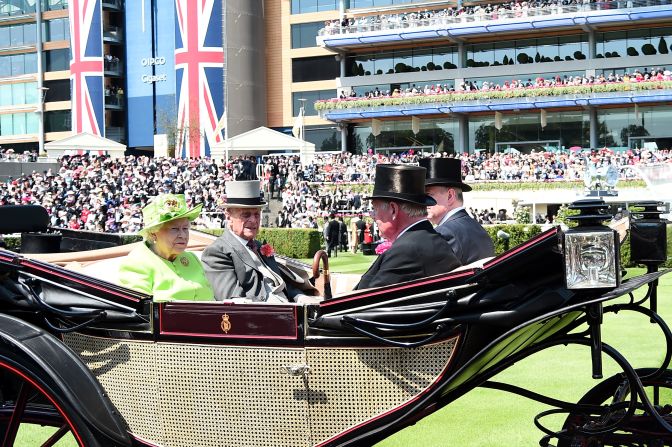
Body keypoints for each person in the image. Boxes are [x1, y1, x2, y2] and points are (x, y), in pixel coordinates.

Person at [201, 180, 318, 303]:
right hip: (264, 315)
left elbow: (278, 283)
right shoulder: (217, 252)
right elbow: (234, 301)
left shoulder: (259, 246)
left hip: (287, 308)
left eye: (257, 214)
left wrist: (300, 297)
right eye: (246, 215)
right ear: (228, 216)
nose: (253, 220)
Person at [354, 165, 462, 290]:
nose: (373, 216)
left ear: (393, 210)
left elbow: (365, 302)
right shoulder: (430, 239)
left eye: (375, 209)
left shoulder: (405, 251)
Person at [118, 194, 214, 301]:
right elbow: (141, 312)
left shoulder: (192, 258)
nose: (183, 235)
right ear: (153, 233)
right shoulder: (137, 263)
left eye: (185, 228)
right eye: (174, 229)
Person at [419, 157, 495, 264]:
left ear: (450, 196)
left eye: (428, 195)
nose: (422, 201)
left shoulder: (445, 233)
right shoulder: (477, 228)